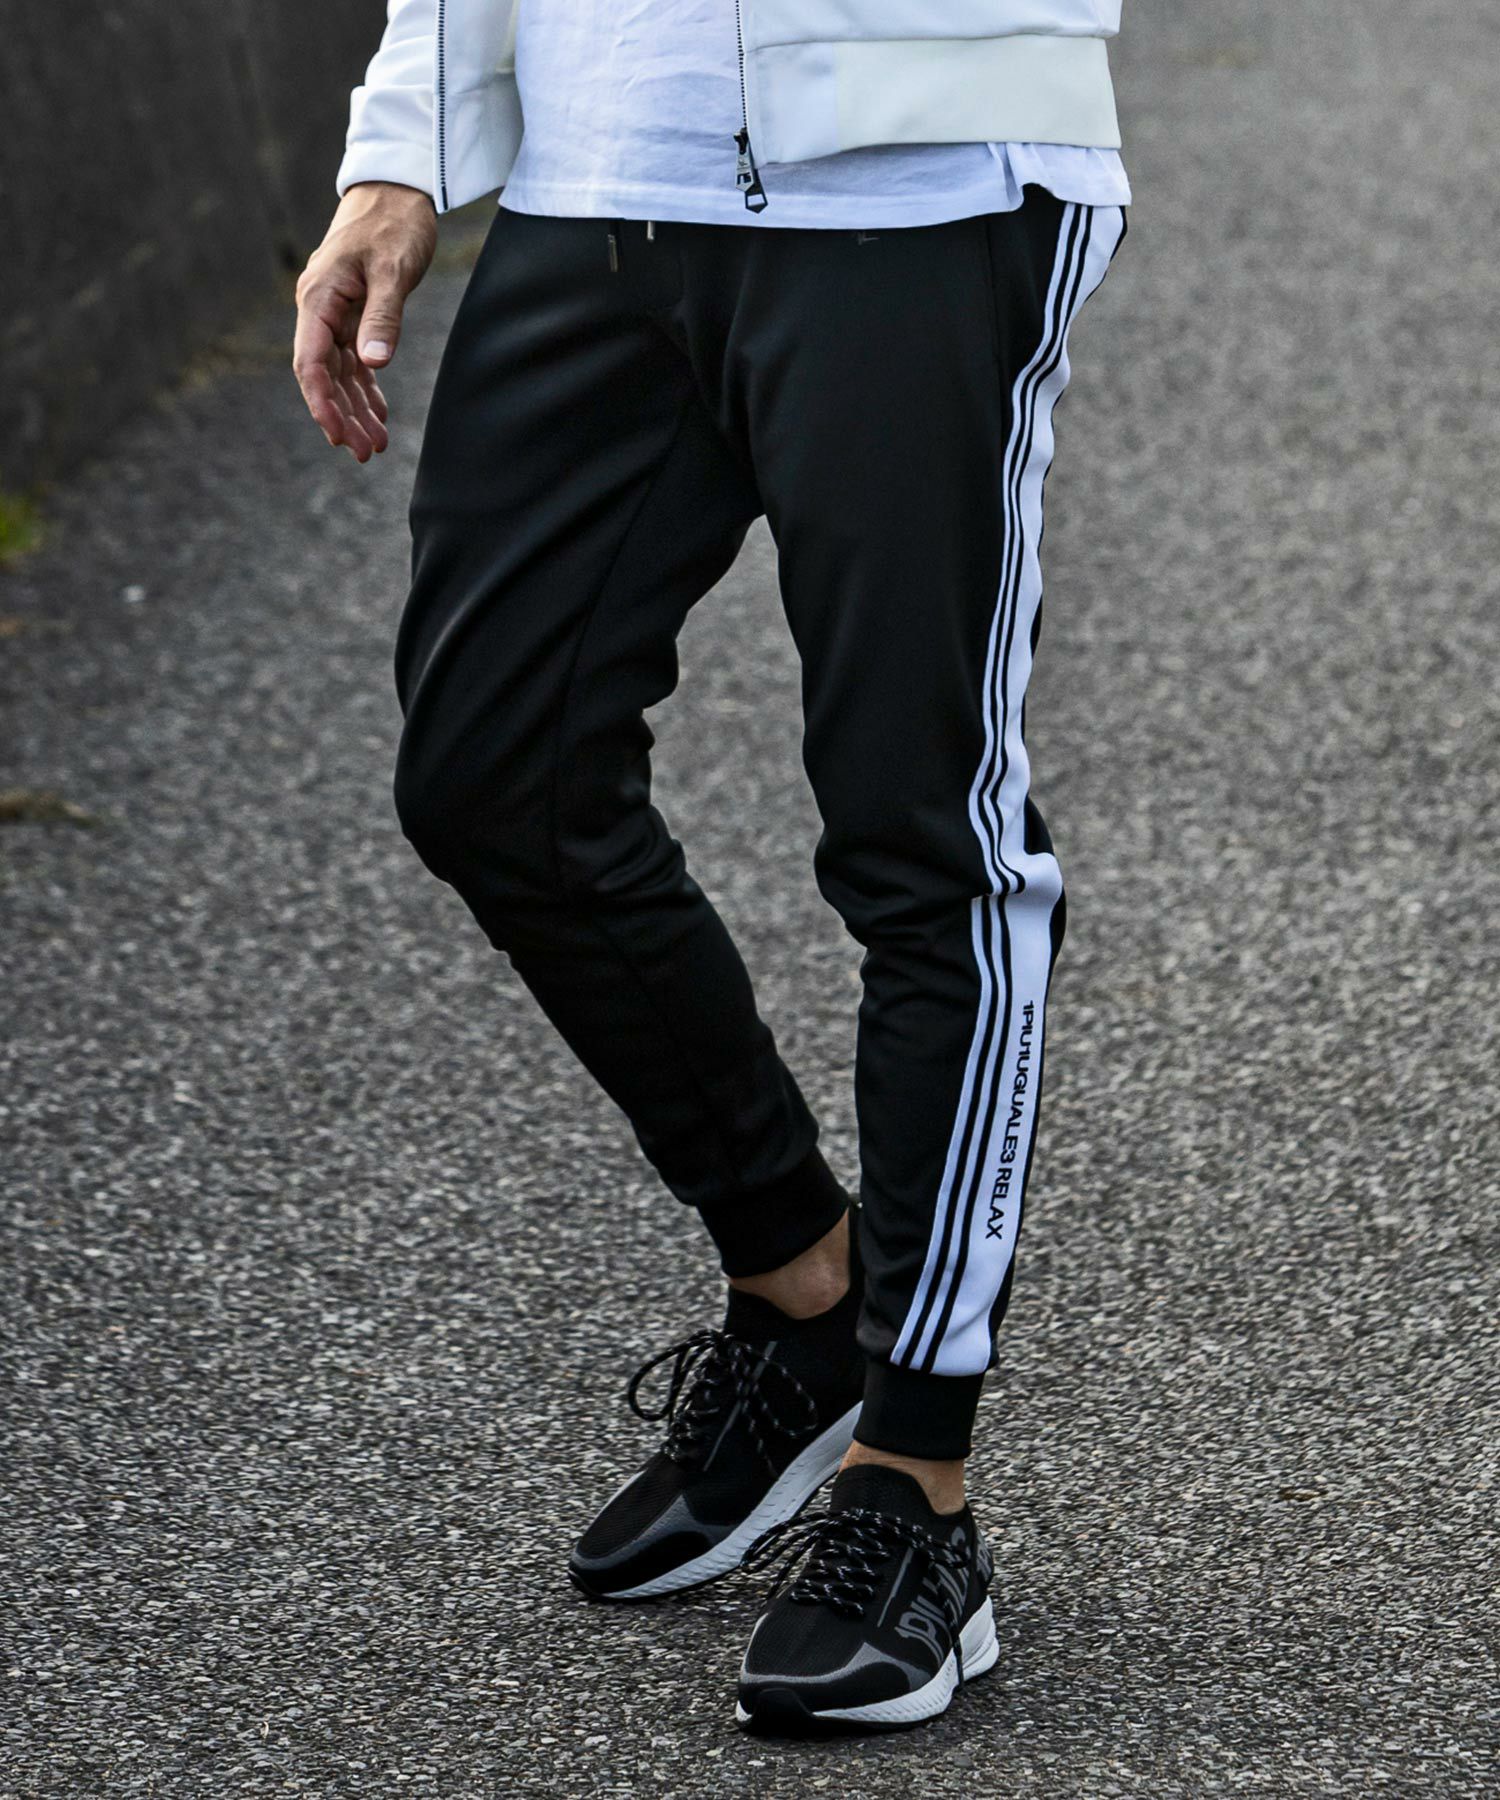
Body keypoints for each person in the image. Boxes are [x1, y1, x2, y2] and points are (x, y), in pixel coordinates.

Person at [293, 0, 1130, 1735]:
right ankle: (800, 1283)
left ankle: (914, 1480)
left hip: (920, 183)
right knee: (496, 778)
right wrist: (406, 144)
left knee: (924, 837)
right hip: (599, 180)